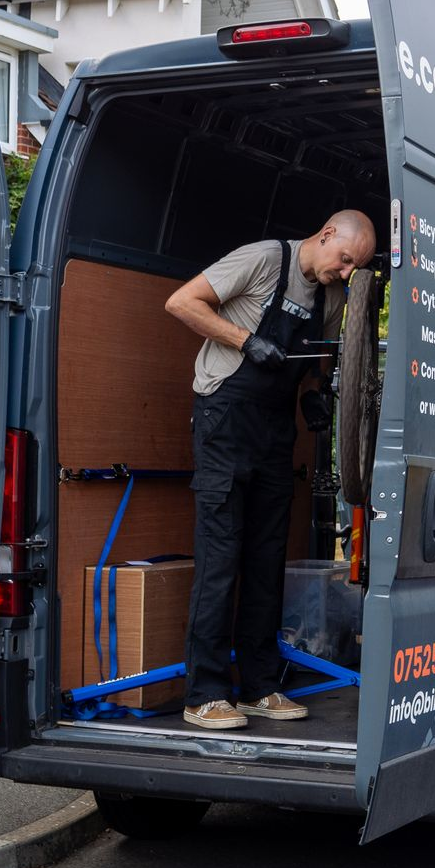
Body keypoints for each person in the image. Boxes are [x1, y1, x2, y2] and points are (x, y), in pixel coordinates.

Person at [165, 210, 377, 730]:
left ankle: (260, 685)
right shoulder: (263, 260)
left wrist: (313, 399)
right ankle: (205, 694)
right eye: (344, 260)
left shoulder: (332, 297)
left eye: (354, 268)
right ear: (327, 234)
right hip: (224, 418)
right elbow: (182, 302)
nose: (345, 273)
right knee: (221, 557)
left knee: (266, 559)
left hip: (275, 429)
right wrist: (244, 340)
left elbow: (318, 365)